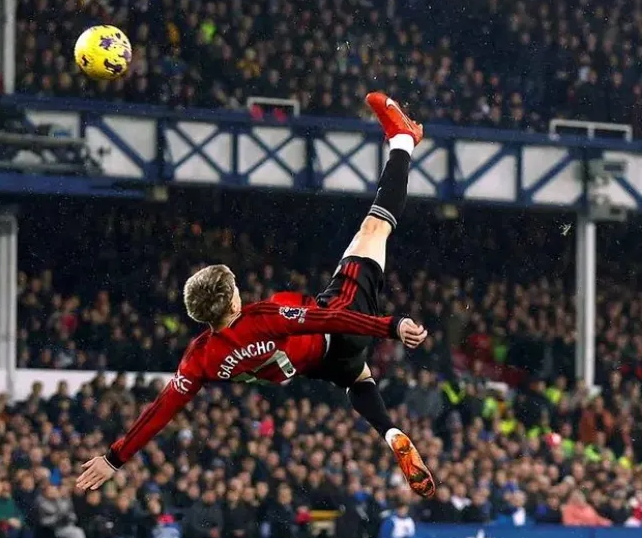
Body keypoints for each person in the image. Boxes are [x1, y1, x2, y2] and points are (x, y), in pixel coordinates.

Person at [78, 92, 435, 499]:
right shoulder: (264, 316)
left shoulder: (201, 358)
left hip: (320, 366)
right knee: (374, 228)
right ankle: (403, 140)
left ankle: (389, 431)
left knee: (358, 376)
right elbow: (328, 319)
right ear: (232, 301)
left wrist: (115, 457)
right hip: (341, 324)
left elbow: (162, 409)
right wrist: (391, 326)